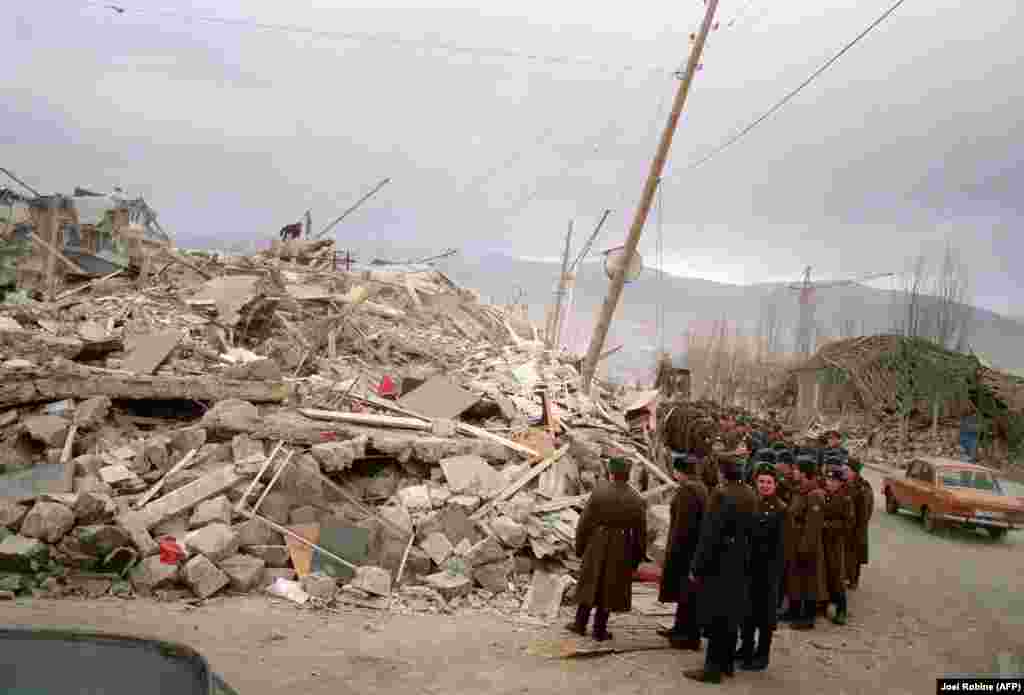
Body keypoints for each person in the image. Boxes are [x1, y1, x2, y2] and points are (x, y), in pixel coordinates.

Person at [684, 454, 757, 684]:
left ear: (723, 472)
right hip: (741, 560)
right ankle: (726, 664)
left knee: (716, 615)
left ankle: (711, 669)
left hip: (719, 562)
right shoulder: (750, 493)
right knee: (731, 614)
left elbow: (709, 534)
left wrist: (696, 565)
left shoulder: (721, 494)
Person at [567, 457, 647, 641]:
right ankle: (599, 629)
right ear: (628, 474)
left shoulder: (599, 492)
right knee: (610, 586)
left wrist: (580, 547)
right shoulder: (636, 498)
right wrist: (636, 557)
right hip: (622, 544)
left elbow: (584, 523)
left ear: (611, 473)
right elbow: (641, 531)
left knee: (590, 582)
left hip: (598, 541)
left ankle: (579, 624)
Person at [736, 463, 787, 671]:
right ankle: (746, 647)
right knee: (747, 611)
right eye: (761, 482)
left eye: (769, 482)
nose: (765, 485)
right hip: (749, 567)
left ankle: (762, 654)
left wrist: (775, 575)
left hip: (768, 571)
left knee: (765, 616)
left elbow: (783, 547)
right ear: (755, 483)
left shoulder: (781, 509)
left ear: (775, 484)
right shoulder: (752, 503)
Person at [657, 452, 709, 650]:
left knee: (687, 595)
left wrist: (673, 552)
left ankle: (687, 636)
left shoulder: (687, 491)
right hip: (694, 548)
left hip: (686, 550)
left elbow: (682, 526)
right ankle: (680, 629)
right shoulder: (700, 487)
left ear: (679, 472)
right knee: (685, 594)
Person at [785, 457, 827, 631]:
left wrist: (805, 548)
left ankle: (808, 618)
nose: (793, 472)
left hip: (806, 544)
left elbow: (813, 526)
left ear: (803, 473)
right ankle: (793, 611)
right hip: (795, 542)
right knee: (795, 579)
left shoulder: (814, 495)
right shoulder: (800, 490)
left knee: (809, 581)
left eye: (796, 470)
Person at [821, 466, 854, 624]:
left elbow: (848, 523)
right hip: (824, 541)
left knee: (836, 575)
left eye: (833, 480)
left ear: (841, 482)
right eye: (828, 480)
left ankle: (842, 609)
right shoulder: (825, 494)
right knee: (824, 573)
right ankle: (826, 604)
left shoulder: (845, 499)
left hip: (836, 541)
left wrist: (828, 525)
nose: (830, 483)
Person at [846, 459, 874, 590]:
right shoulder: (847, 483)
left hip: (857, 528)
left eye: (847, 470)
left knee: (855, 556)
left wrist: (859, 529)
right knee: (848, 555)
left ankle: (853, 580)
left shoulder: (863, 487)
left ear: (854, 472)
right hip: (848, 527)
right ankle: (848, 577)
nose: (844, 471)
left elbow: (865, 512)